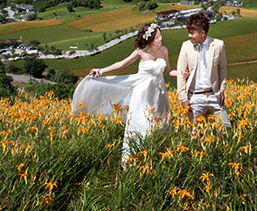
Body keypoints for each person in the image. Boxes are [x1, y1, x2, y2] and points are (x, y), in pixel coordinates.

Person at [71, 23, 181, 162]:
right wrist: (100, 71)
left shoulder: (164, 50)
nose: (160, 38)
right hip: (142, 93)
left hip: (159, 94)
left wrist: (182, 74)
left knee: (160, 122)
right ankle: (133, 157)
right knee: (142, 122)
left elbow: (169, 72)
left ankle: (159, 156)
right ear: (150, 39)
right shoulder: (140, 52)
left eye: (160, 35)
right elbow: (121, 64)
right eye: (157, 36)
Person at [177, 11, 231, 127]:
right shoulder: (185, 46)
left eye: (192, 33)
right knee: (194, 134)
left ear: (202, 33)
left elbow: (223, 68)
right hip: (194, 97)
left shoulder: (218, 45)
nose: (189, 36)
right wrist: (183, 98)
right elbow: (180, 73)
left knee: (226, 129)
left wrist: (222, 90)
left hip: (214, 95)